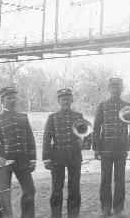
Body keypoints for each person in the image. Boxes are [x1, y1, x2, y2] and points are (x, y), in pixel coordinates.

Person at [0, 86, 36, 218]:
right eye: (8, 98)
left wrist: (33, 159)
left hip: (23, 161)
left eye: (14, 97)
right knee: (3, 197)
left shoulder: (23, 117)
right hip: (4, 164)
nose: (12, 100)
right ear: (2, 101)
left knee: (30, 192)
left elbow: (30, 140)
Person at [92, 77, 130, 218]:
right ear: (109, 89)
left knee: (120, 180)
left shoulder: (127, 105)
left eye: (118, 87)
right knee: (105, 180)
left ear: (121, 89)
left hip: (121, 149)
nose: (115, 89)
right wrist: (96, 148)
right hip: (105, 149)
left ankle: (118, 210)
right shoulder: (102, 105)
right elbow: (96, 127)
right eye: (113, 87)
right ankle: (105, 209)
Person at [43, 88, 92, 218]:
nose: (66, 101)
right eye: (63, 99)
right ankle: (56, 215)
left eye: (68, 99)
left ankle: (73, 215)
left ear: (72, 100)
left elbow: (87, 133)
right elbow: (47, 138)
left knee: (74, 188)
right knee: (56, 189)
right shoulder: (52, 118)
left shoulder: (78, 116)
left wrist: (87, 143)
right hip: (57, 156)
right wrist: (46, 158)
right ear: (58, 101)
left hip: (75, 155)